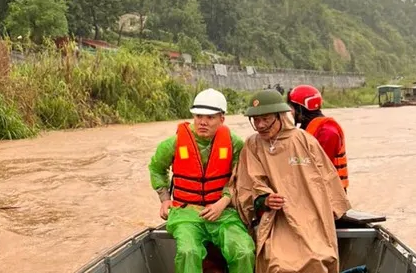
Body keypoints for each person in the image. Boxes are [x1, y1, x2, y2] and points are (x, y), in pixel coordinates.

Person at [230, 88, 351, 273]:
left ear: (280, 116)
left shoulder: (304, 140)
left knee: (318, 257)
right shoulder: (252, 145)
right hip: (276, 220)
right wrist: (264, 199)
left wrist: (333, 212)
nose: (260, 125)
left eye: (266, 119)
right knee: (278, 264)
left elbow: (328, 181)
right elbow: (248, 186)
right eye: (256, 120)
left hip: (312, 218)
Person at [148, 88, 255, 273]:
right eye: (198, 116)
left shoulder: (235, 144)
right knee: (188, 252)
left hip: (224, 213)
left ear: (222, 118)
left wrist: (223, 203)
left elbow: (241, 179)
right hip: (185, 213)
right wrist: (165, 199)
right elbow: (156, 169)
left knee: (244, 251)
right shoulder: (173, 143)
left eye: (210, 117)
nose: (203, 122)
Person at [287, 84, 349, 192]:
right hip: (317, 188)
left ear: (300, 109)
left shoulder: (327, 132)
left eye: (291, 108)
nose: (290, 112)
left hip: (331, 191)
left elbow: (319, 166)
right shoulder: (306, 128)